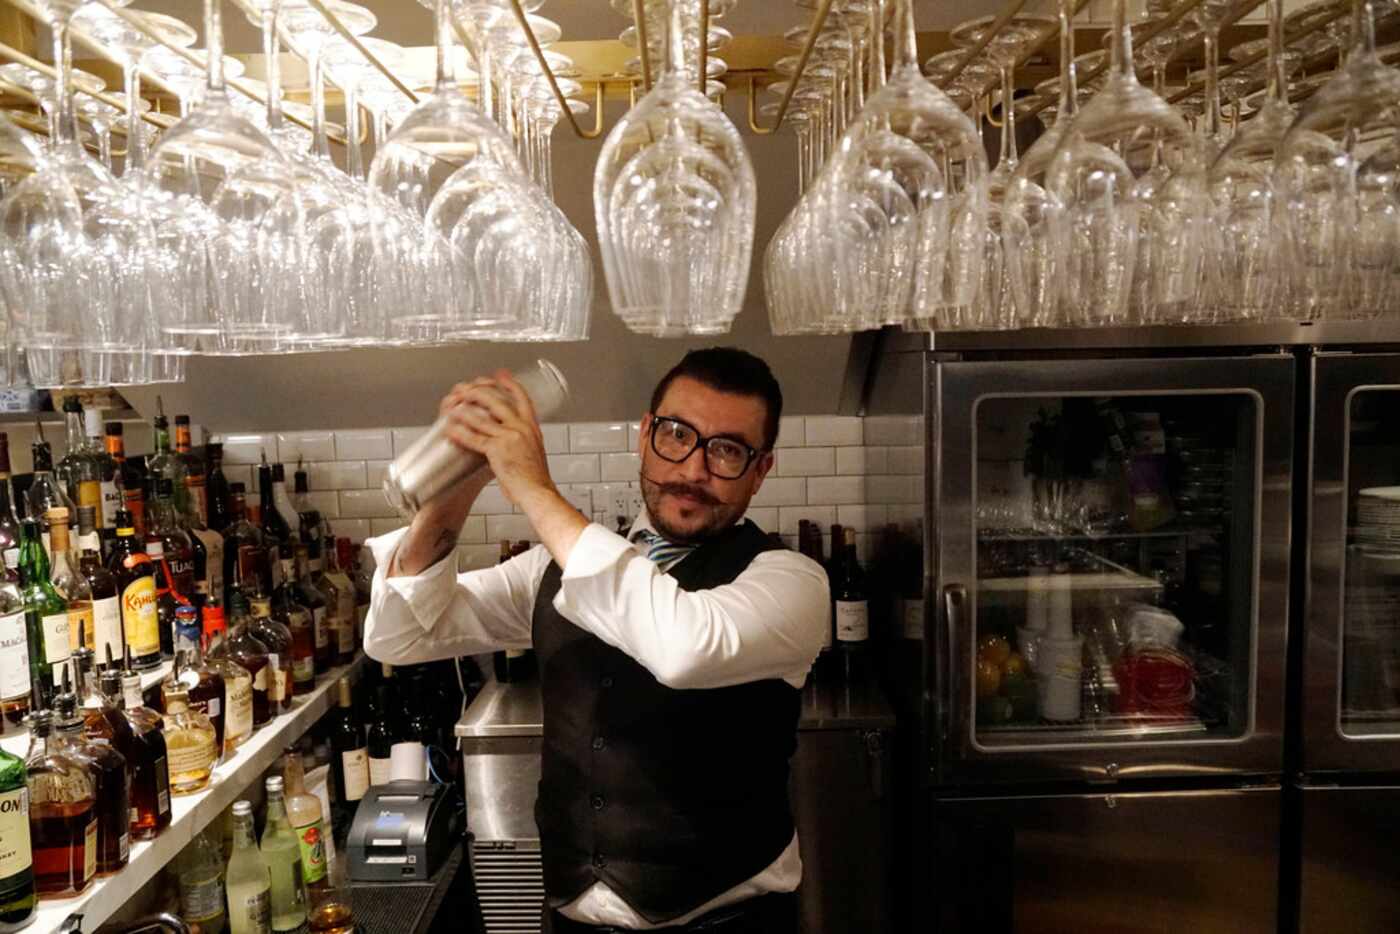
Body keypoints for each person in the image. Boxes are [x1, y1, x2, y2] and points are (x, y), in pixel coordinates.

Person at [363, 347, 828, 933]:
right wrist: (464, 476)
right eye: (677, 435)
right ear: (644, 436)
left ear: (761, 471)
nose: (693, 469)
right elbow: (398, 635)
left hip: (729, 922)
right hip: (569, 920)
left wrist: (530, 483)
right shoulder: (551, 569)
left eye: (728, 450)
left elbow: (683, 647)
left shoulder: (793, 582)